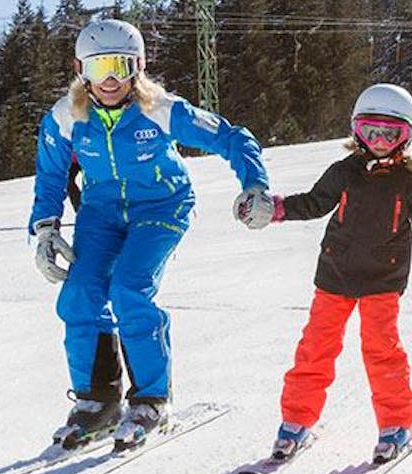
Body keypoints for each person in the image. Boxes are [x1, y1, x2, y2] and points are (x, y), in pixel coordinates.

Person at [30, 19, 270, 451]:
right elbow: (49, 176)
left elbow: (231, 138)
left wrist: (254, 184)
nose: (109, 80)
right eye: (98, 67)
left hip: (161, 206)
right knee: (80, 294)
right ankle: (97, 400)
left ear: (137, 66)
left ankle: (150, 399)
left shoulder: (161, 109)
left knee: (128, 289)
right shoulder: (65, 117)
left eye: (120, 66)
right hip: (101, 211)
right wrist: (46, 228)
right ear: (79, 68)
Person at [254, 84, 412, 463]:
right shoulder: (344, 172)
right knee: (315, 349)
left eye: (389, 134)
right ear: (357, 132)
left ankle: (395, 425)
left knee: (381, 352)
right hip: (335, 275)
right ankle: (295, 421)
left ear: (405, 136)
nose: (378, 141)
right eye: (370, 131)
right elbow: (313, 203)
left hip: (382, 279)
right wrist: (275, 210)